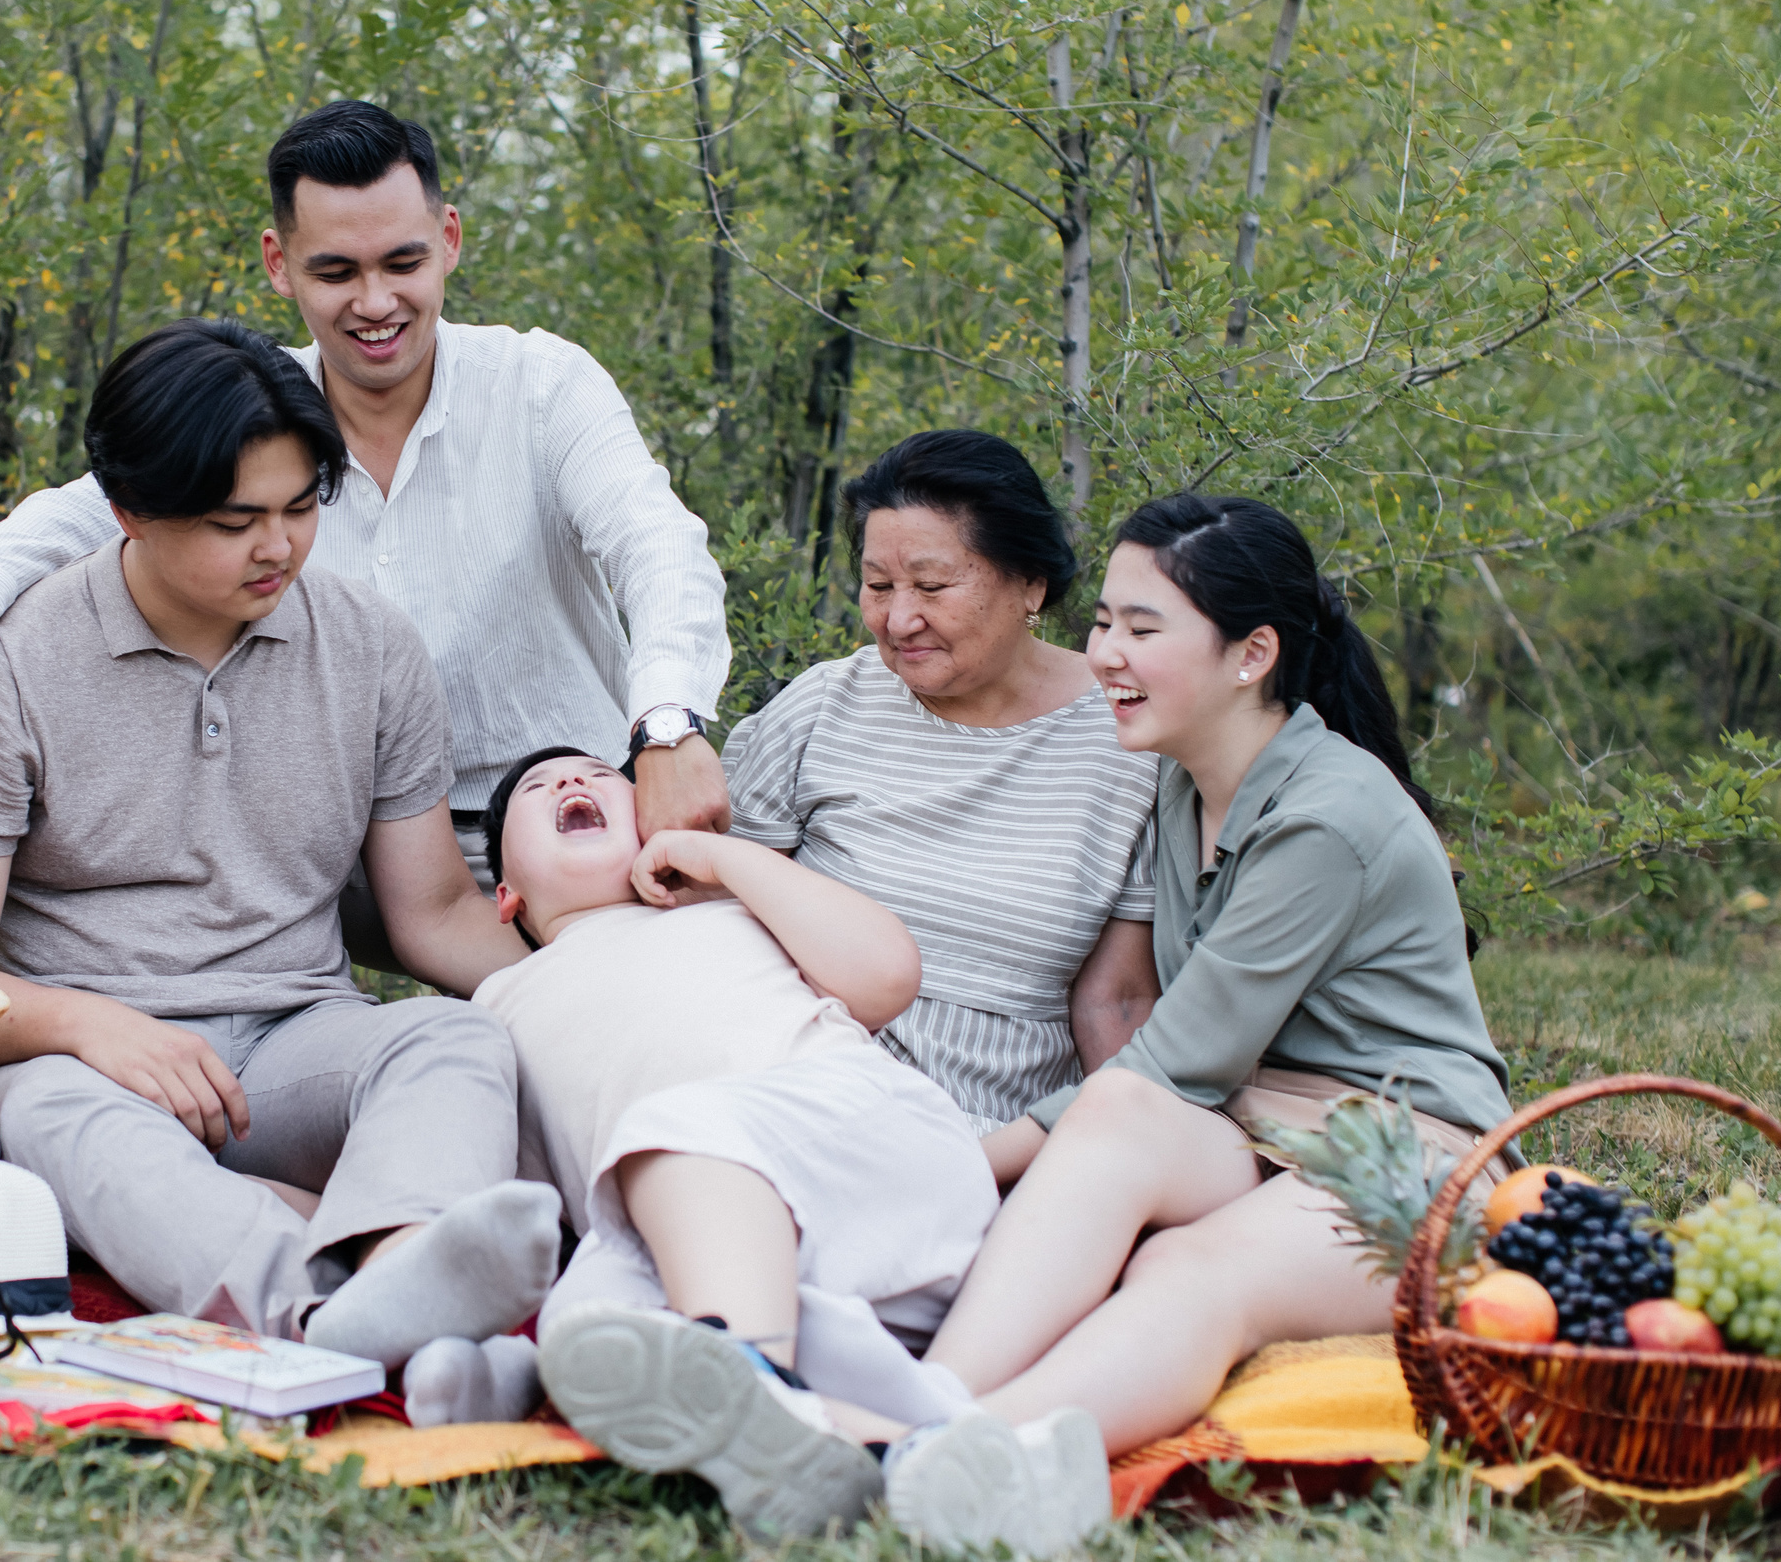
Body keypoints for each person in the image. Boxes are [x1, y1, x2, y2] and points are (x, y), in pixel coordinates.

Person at [0, 100, 733, 966]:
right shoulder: (254, 413)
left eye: (404, 261)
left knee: (670, 991)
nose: (376, 302)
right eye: (336, 272)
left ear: (451, 239)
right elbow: (90, 508)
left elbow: (655, 541)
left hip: (570, 817)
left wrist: (665, 725)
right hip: (356, 856)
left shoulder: (542, 387)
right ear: (279, 265)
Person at [0, 317, 558, 1368]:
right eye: (236, 521)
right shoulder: (6, 670)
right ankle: (331, 1316)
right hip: (80, 1057)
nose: (277, 546)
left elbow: (433, 914)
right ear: (129, 514)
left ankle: (401, 1268)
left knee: (451, 1040)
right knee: (60, 1121)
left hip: (293, 1038)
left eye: (299, 509)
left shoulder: (371, 648)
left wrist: (590, 993)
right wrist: (90, 1028)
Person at [889, 493, 1516, 1545]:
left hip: (1413, 1159)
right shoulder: (1184, 786)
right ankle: (917, 1406)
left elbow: (1188, 1051)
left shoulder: (1328, 814)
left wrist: (955, 1160)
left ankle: (942, 1454)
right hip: (1264, 1128)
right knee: (1119, 1118)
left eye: (1142, 628)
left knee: (1185, 1262)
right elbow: (1146, 1055)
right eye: (1102, 624)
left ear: (1249, 655)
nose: (1103, 655)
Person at [406, 747, 1102, 1542]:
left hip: (866, 1154)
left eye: (604, 776)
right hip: (745, 1266)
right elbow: (521, 1192)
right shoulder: (496, 1004)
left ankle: (752, 1373)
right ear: (506, 894)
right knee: (595, 1317)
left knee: (677, 1129)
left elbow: (886, 973)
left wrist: (716, 857)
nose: (572, 782)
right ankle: (904, 1448)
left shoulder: (734, 913)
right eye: (539, 788)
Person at [721, 431, 1161, 1133]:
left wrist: (1123, 1147)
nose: (899, 619)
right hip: (796, 1086)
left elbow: (1117, 999)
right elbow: (719, 915)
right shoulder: (823, 707)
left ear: (1031, 583)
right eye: (878, 585)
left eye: (931, 586)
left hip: (993, 1127)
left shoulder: (1128, 744)